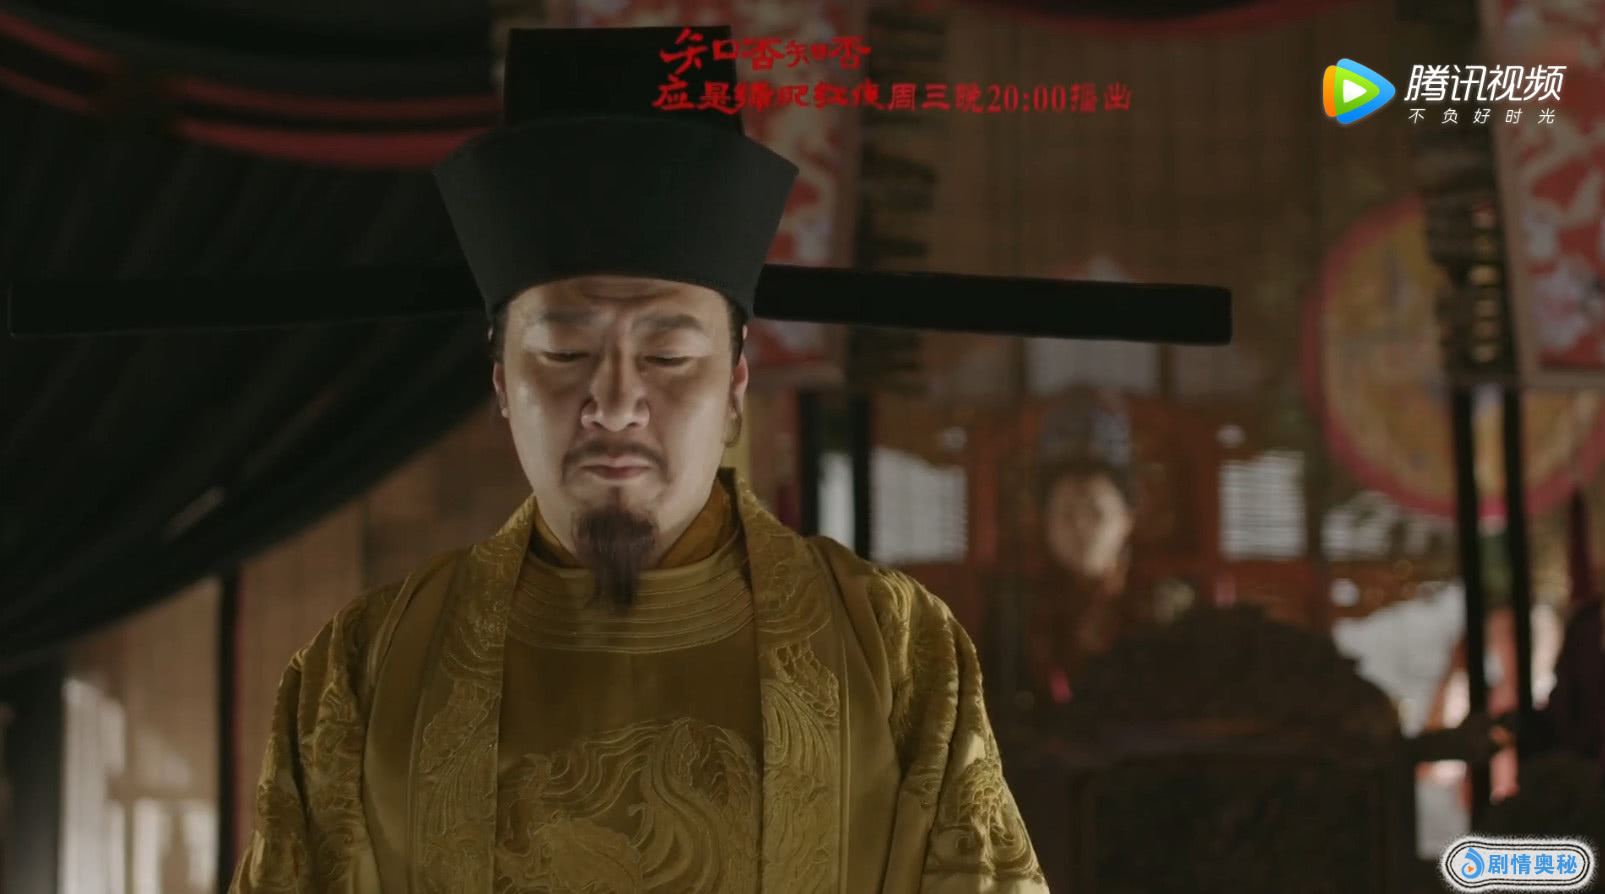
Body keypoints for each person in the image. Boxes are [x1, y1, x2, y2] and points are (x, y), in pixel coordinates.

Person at [228, 26, 1048, 893]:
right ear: (501, 381)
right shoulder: (365, 668)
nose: (615, 404)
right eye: (564, 353)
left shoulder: (894, 650)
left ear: (734, 385)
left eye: (666, 356)